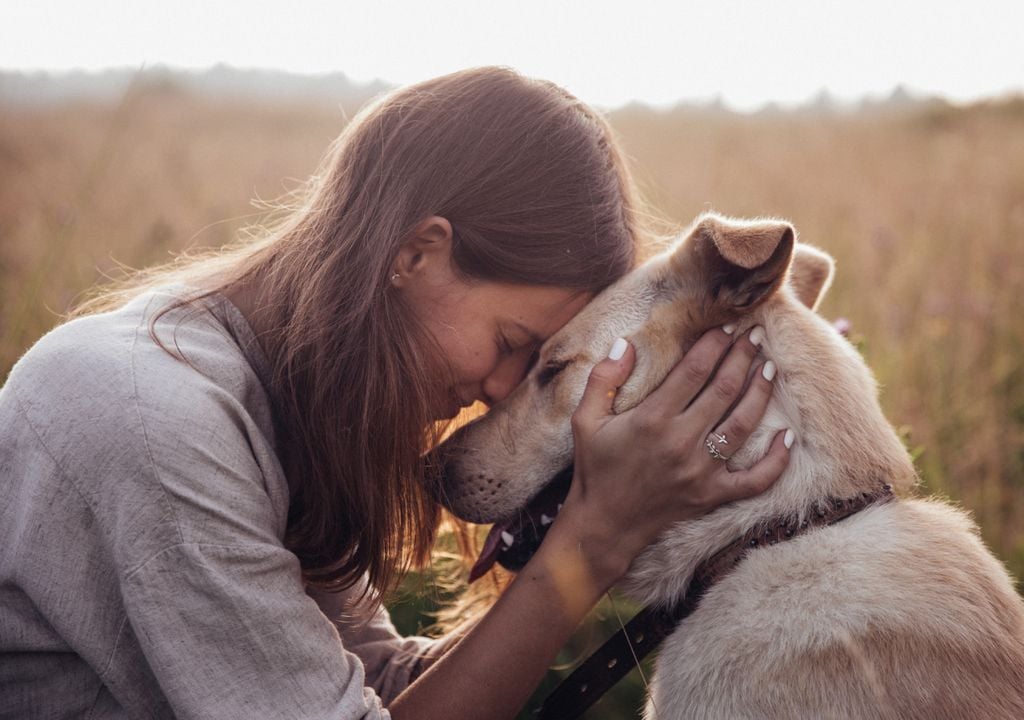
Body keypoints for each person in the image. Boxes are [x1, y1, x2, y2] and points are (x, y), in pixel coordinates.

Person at [0, 67, 790, 718]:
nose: (499, 390)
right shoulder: (154, 423)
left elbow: (378, 691)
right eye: (513, 345)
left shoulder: (281, 403)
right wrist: (596, 537)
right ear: (418, 252)